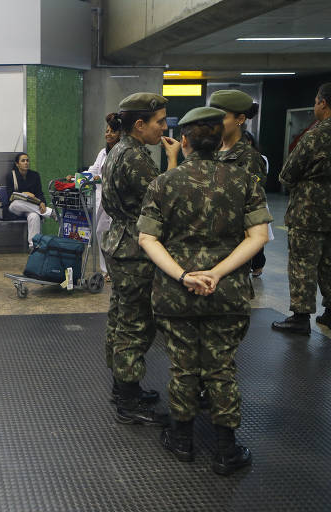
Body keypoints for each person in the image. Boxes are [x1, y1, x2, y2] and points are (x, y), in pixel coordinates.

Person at [138, 106, 271, 475]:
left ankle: (182, 440)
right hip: (226, 292)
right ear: (220, 139)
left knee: (182, 365)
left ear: (184, 141)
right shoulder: (244, 180)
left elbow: (148, 238)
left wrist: (184, 276)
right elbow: (258, 237)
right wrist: (217, 272)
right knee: (221, 367)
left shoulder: (163, 183)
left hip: (175, 294)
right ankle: (226, 450)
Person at [101, 92, 179, 426]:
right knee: (136, 323)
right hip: (136, 248)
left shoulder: (118, 150)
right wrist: (173, 161)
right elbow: (164, 199)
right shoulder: (133, 156)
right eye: (159, 122)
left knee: (121, 317)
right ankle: (129, 400)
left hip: (122, 243)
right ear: (139, 124)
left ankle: (124, 387)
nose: (163, 128)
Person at [272, 83, 331, 335]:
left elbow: (287, 174)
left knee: (302, 262)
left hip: (310, 209)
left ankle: (300, 316)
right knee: (329, 262)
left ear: (323, 103)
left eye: (317, 101)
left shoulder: (316, 135)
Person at [209, 90, 268, 277]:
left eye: (221, 118)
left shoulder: (249, 158)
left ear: (240, 119)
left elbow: (250, 209)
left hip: (230, 248)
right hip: (206, 241)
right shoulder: (212, 151)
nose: (215, 124)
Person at [82, 113, 121, 277]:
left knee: (116, 236)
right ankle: (106, 270)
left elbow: (116, 176)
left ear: (120, 134)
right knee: (100, 231)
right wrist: (80, 177)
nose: (108, 134)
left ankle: (116, 270)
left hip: (118, 200)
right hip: (103, 200)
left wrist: (100, 178)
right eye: (107, 131)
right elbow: (94, 170)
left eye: (112, 131)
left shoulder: (122, 151)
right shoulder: (103, 153)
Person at [5, 153, 54, 251]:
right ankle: (51, 213)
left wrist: (42, 203)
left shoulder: (35, 175)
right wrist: (23, 193)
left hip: (30, 207)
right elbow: (10, 195)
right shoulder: (11, 175)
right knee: (16, 204)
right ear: (17, 164)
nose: (26, 163)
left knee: (34, 216)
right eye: (23, 161)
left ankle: (34, 246)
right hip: (15, 208)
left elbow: (39, 192)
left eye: (27, 160)